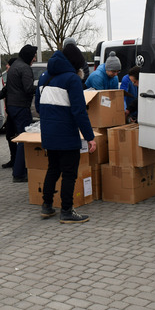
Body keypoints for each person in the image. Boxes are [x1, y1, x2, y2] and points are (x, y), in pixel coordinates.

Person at [35, 43, 97, 224]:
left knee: (53, 169)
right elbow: (79, 111)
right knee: (69, 173)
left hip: (48, 133)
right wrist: (90, 137)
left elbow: (38, 107)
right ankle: (67, 211)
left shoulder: (44, 77)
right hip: (67, 135)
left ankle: (46, 206)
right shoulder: (72, 79)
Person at [6, 44, 38, 183]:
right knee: (24, 139)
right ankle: (19, 173)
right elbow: (28, 88)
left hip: (12, 106)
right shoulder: (25, 68)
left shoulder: (14, 66)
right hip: (21, 107)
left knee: (20, 137)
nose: (35, 59)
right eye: (34, 56)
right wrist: (42, 86)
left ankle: (20, 170)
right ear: (29, 56)